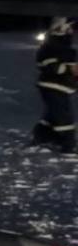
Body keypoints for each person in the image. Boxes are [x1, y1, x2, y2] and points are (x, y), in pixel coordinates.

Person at [33, 17, 77, 153]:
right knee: (63, 116)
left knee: (53, 113)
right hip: (52, 86)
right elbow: (50, 66)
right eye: (68, 28)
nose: (71, 31)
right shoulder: (50, 46)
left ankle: (42, 135)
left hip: (62, 87)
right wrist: (68, 68)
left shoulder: (65, 47)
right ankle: (68, 144)